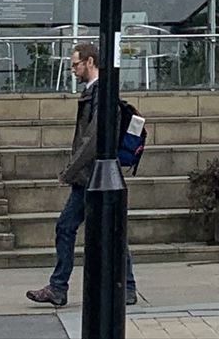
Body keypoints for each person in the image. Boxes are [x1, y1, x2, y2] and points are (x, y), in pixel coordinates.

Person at [26, 41, 138, 311]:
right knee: (108, 230)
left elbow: (93, 138)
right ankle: (125, 287)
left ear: (89, 62)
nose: (73, 70)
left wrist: (70, 170)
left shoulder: (102, 92)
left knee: (71, 227)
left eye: (75, 64)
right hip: (93, 175)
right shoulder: (96, 92)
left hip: (93, 175)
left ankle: (59, 287)